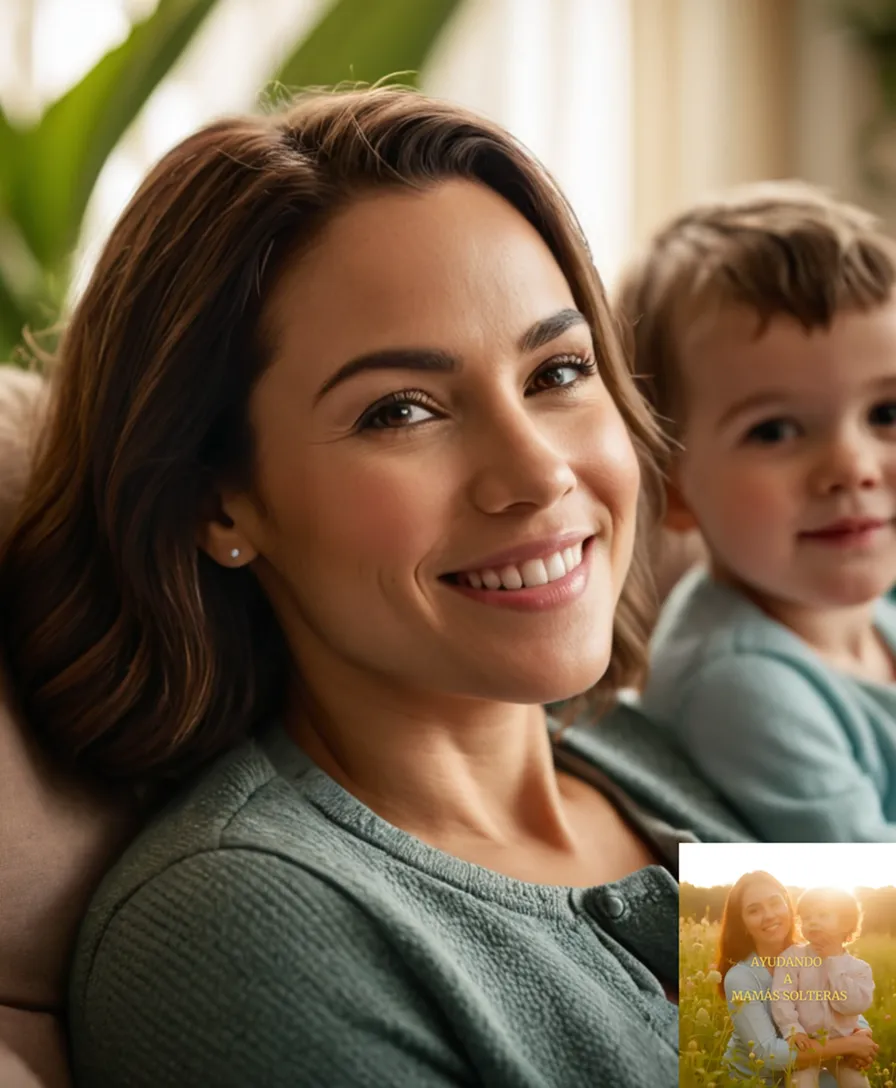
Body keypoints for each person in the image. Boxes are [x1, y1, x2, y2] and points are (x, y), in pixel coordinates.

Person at [0, 87, 752, 1088]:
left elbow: (837, 1065)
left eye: (555, 370)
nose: (534, 474)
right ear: (218, 504)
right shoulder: (238, 932)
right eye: (400, 409)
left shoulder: (645, 762)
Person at [618, 181, 896, 842]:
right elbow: (865, 931)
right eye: (774, 431)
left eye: (887, 413)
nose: (852, 466)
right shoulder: (739, 683)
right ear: (675, 487)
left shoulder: (874, 621)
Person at [717, 872, 878, 1085]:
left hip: (811, 1064)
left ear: (788, 907)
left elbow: (838, 1003)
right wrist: (849, 1045)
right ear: (743, 924)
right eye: (754, 910)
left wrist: (862, 1033)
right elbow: (768, 1053)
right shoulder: (741, 978)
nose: (769, 915)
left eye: (775, 903)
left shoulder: (815, 953)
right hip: (757, 1079)